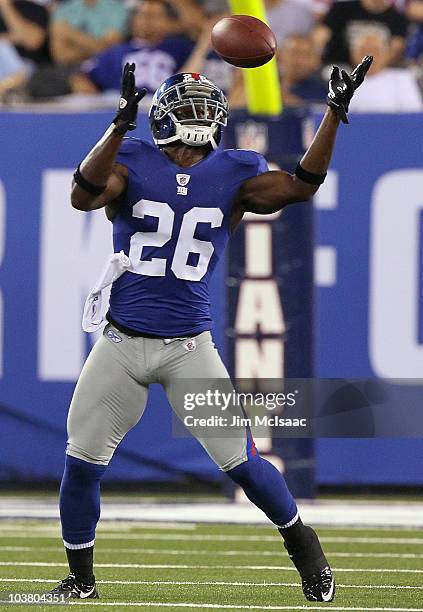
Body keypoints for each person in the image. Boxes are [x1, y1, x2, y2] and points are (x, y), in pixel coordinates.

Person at [49, 57, 372, 602]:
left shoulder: (236, 172)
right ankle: (80, 581)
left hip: (187, 349)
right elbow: (82, 194)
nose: (193, 128)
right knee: (81, 463)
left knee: (242, 463)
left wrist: (334, 114)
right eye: (188, 109)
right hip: (121, 342)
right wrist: (118, 125)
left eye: (203, 109)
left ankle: (308, 553)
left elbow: (301, 186)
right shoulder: (130, 157)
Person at [71, 0, 194, 95]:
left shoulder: (181, 48)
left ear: (167, 22)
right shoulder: (117, 51)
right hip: (125, 110)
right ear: (133, 21)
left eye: (155, 16)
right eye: (143, 15)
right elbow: (81, 76)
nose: (148, 21)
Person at [313, 0, 408, 65]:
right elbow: (320, 36)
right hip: (338, 66)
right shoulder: (341, 9)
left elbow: (394, 51)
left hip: (373, 71)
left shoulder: (397, 19)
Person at [348, 30, 423, 111]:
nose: (370, 57)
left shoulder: (403, 79)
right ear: (353, 55)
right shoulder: (343, 81)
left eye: (375, 51)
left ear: (386, 54)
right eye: (364, 51)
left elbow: (414, 115)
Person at [50, 0, 129, 66]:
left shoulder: (117, 9)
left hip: (104, 67)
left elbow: (108, 50)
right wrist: (95, 46)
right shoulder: (63, 10)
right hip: (69, 68)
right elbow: (61, 56)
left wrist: (70, 33)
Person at [278, 34, 327, 106]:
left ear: (316, 61)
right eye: (294, 54)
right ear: (280, 57)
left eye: (306, 55)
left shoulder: (322, 90)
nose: (299, 62)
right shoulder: (267, 83)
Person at [0, 0, 49, 65]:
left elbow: (33, 41)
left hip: (28, 66)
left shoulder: (35, 9)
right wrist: (18, 37)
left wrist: (6, 6)